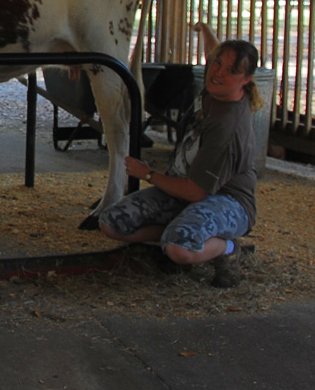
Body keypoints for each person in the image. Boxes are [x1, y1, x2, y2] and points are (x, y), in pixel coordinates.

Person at [98, 23, 262, 288]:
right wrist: (205, 30)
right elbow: (213, 53)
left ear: (246, 79)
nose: (217, 72)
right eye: (217, 63)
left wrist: (149, 174)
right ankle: (180, 234)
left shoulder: (228, 126)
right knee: (112, 223)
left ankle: (228, 248)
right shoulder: (216, 87)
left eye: (231, 71)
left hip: (226, 200)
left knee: (178, 248)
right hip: (186, 191)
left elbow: (197, 192)